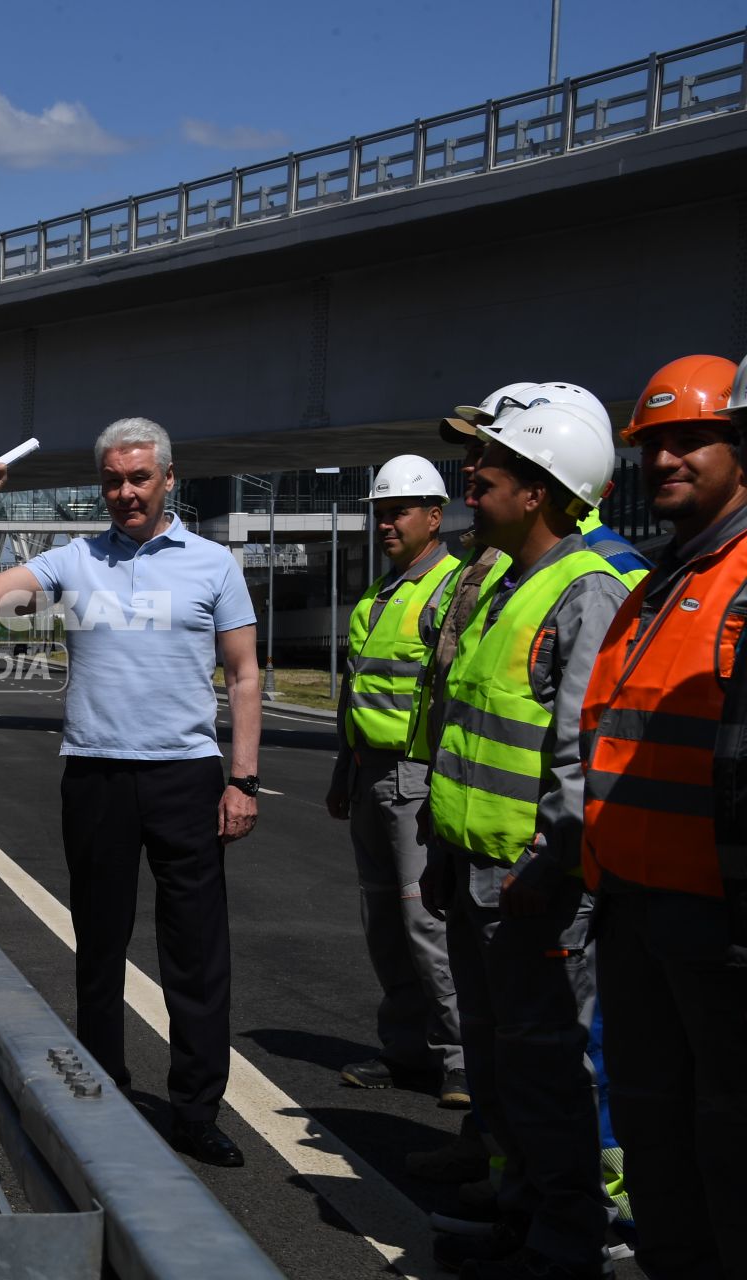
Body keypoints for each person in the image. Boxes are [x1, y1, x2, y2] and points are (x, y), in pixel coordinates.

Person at [0, 417, 261, 1167]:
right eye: (113, 481)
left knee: (195, 954)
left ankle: (195, 1111)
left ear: (167, 479)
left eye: (139, 479)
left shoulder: (213, 564)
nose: (125, 493)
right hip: (95, 771)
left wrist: (243, 778)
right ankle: (103, 1093)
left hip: (185, 774)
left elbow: (245, 675)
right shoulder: (75, 558)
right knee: (97, 947)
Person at [423, 401, 631, 1280]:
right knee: (504, 1067)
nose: (472, 480)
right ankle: (521, 1217)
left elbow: (584, 757)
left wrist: (550, 869)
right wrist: (442, 850)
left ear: (541, 492)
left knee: (549, 1074)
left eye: (492, 470)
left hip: (533, 883)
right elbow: (466, 732)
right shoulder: (505, 580)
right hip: (478, 872)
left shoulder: (587, 589)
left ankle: (565, 1242)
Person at [581, 353, 747, 1279]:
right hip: (637, 908)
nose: (668, 460)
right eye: (655, 445)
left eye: (694, 440)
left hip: (717, 925)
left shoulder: (739, 581)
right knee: (656, 1128)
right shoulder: (658, 587)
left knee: (727, 1143)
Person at [328, 455, 468, 1107]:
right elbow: (356, 691)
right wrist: (342, 769)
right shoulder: (380, 595)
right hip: (368, 776)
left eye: (399, 512)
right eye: (380, 513)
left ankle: (460, 1058)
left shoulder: (452, 589)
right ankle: (406, 1050)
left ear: (434, 517)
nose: (386, 524)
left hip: (418, 779)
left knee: (425, 925)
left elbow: (452, 698)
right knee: (384, 921)